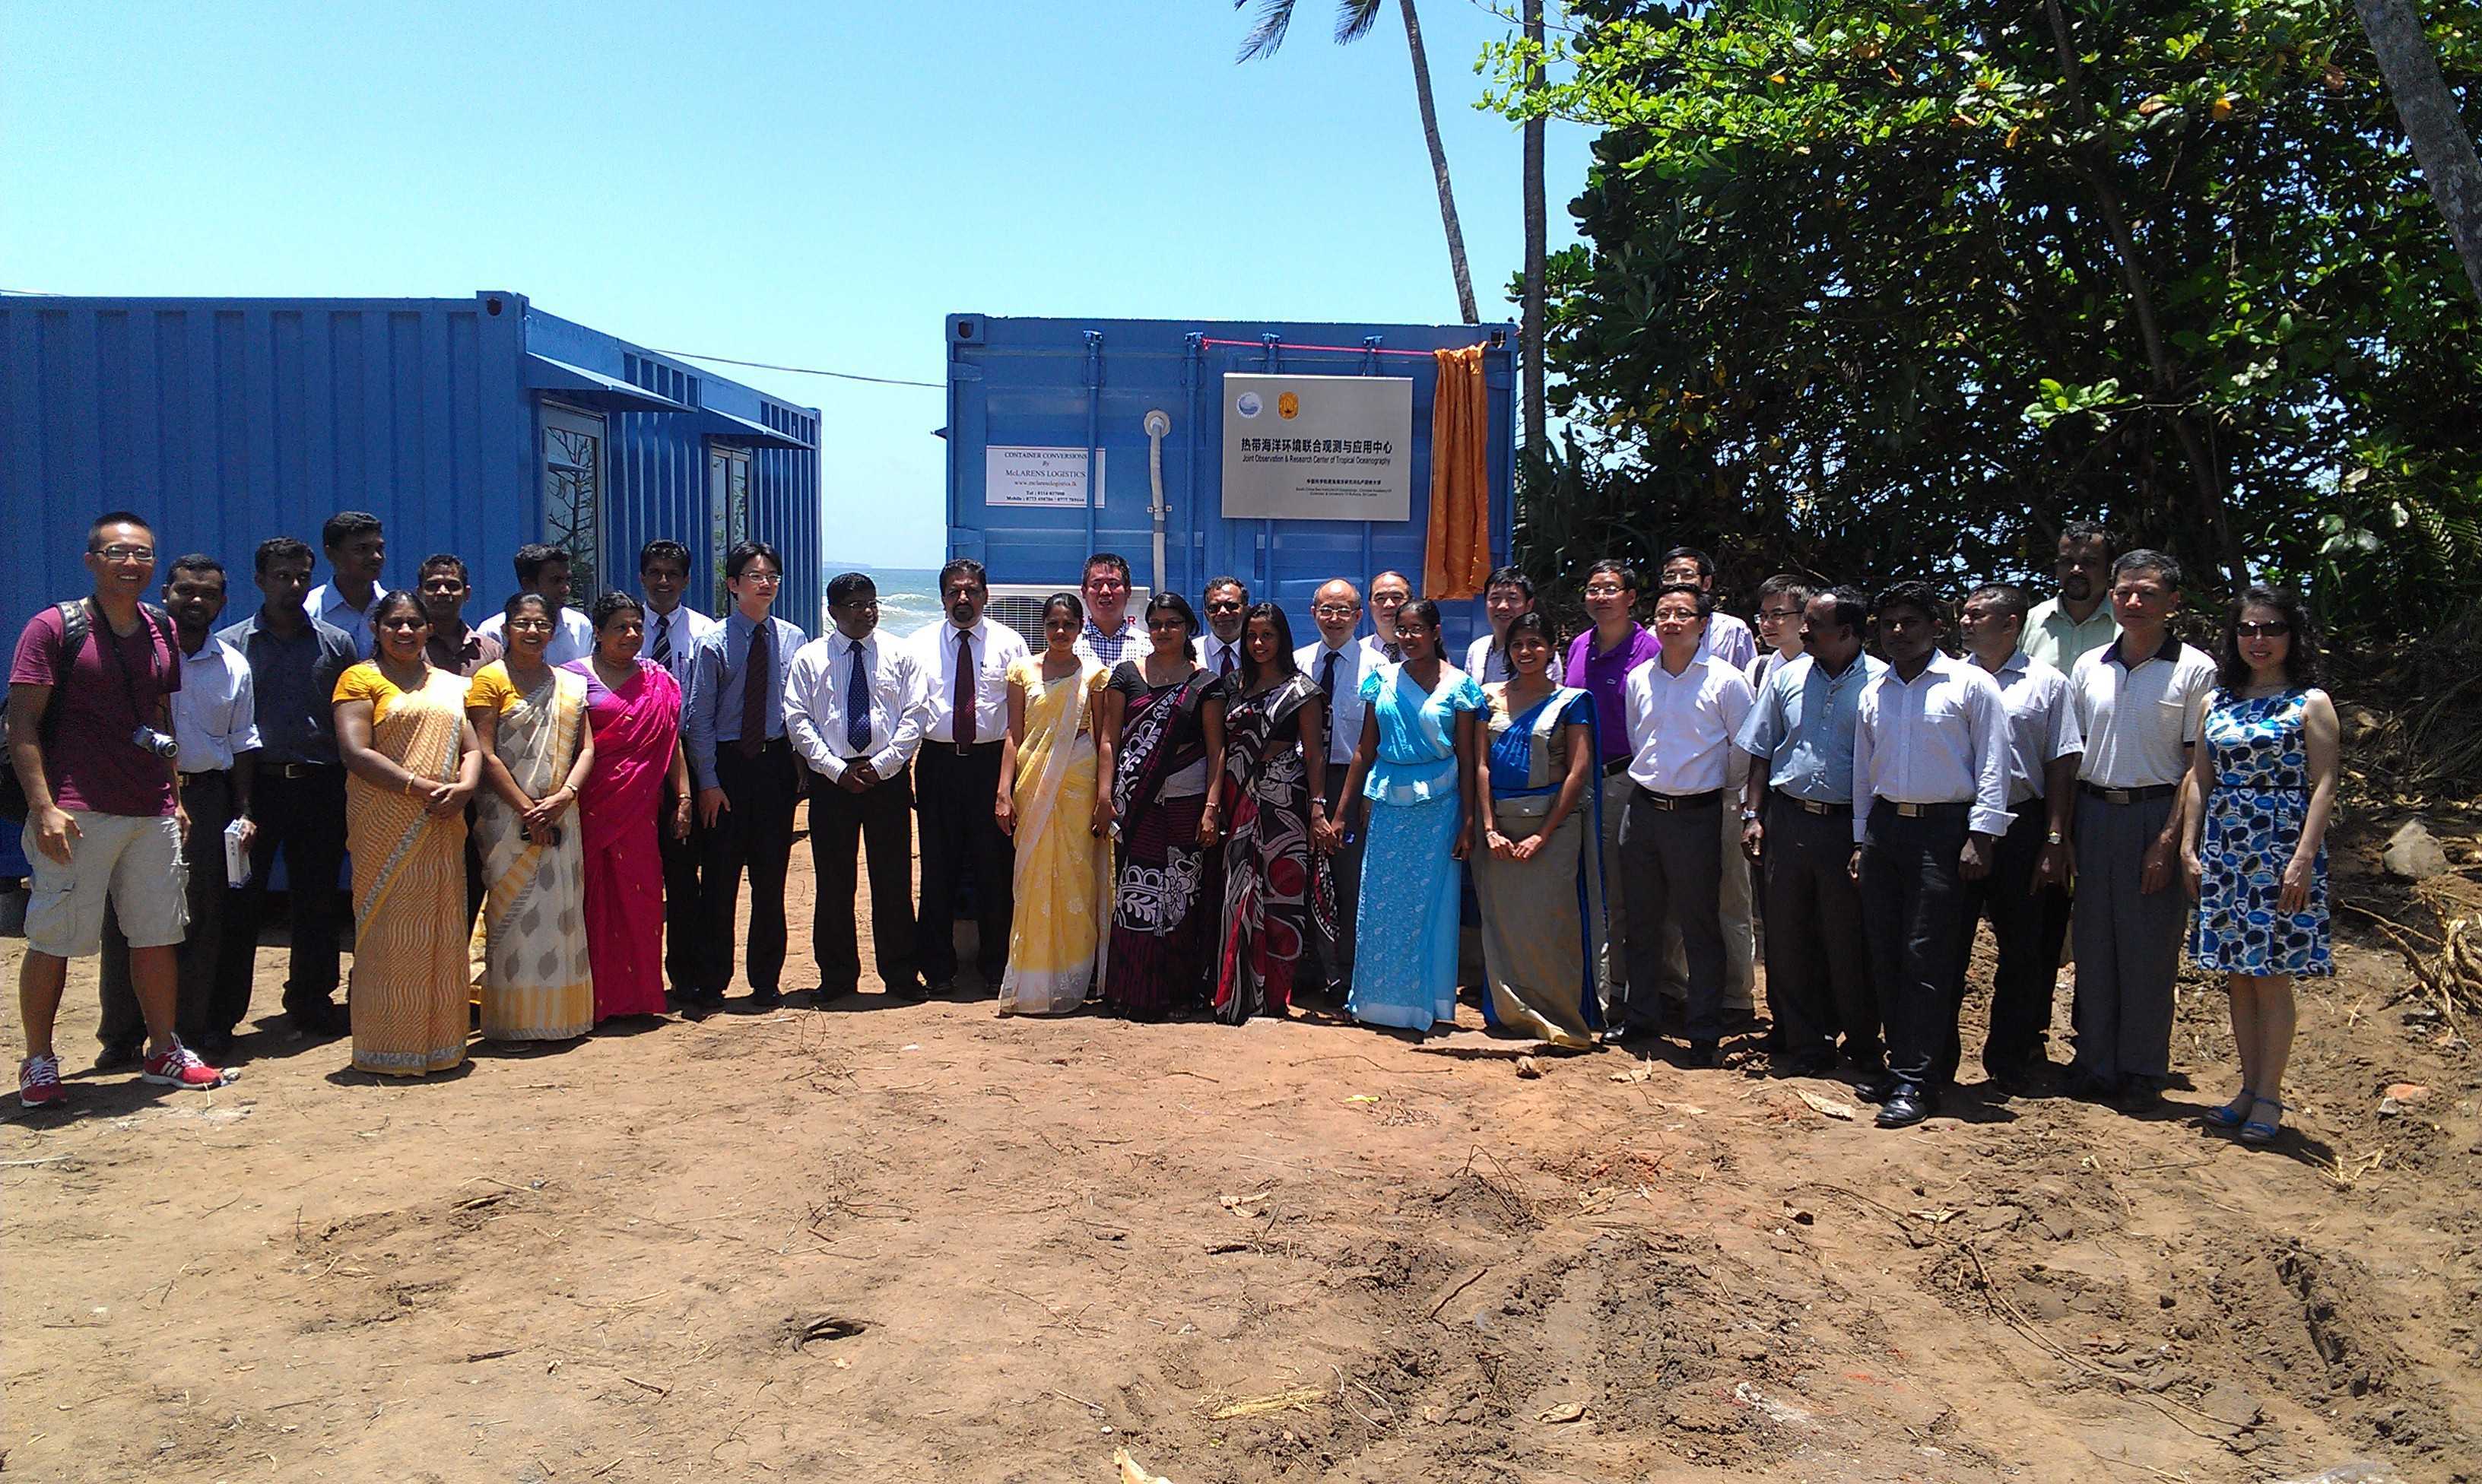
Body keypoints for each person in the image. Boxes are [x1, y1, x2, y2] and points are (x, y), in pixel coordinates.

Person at [10, 513, 230, 1106]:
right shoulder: (54, 627)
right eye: (117, 553)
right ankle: (39, 1061)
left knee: (157, 934)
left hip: (149, 810)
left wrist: (174, 797)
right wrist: (43, 807)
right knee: (54, 937)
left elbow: (158, 715)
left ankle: (163, 1050)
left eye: (142, 554)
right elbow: (22, 722)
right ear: (92, 561)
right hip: (76, 810)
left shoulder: (160, 627)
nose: (131, 564)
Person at [1849, 582, 2011, 1130]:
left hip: (1945, 831)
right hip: (1886, 829)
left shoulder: (1970, 685)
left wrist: (1982, 834)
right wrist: (1860, 839)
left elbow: (1994, 762)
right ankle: (1910, 1066)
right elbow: (1863, 770)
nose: (1898, 632)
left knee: (1928, 956)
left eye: (1910, 622)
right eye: (1889, 623)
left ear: (1936, 628)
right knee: (1886, 953)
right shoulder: (1875, 691)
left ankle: (1916, 1081)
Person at [2064, 550, 2219, 1105]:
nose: (2134, 602)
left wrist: (2169, 841)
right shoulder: (2089, 666)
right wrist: (2065, 833)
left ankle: (2142, 1071)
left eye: (2148, 593)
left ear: (2172, 602)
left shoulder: (2195, 669)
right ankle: (2095, 1063)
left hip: (2155, 814)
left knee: (2148, 947)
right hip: (2093, 810)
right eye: (2124, 591)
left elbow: (2196, 766)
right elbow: (2072, 750)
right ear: (2111, 597)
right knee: (2094, 942)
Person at [2183, 587, 2337, 1145]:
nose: (2259, 639)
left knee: (2270, 976)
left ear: (2293, 635)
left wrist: (2303, 859)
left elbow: (2325, 784)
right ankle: (2247, 1089)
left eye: (2272, 628)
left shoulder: (2310, 702)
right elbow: (2200, 778)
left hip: (2281, 850)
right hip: (2226, 849)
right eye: (2248, 629)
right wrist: (2188, 847)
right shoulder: (2216, 701)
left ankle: (2270, 1095)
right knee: (2238, 975)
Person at [97, 554, 258, 1064]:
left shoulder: (233, 665)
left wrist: (244, 810)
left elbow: (242, 743)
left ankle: (188, 1030)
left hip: (207, 799)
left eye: (208, 594)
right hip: (137, 797)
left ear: (222, 603)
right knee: (128, 915)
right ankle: (121, 1036)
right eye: (186, 590)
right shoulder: (133, 653)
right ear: (165, 593)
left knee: (202, 918)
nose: (196, 601)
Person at [332, 590, 484, 1077]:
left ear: (428, 630)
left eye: (414, 623)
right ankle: (387, 1046)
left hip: (444, 820)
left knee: (441, 926)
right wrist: (419, 787)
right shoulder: (360, 679)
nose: (404, 631)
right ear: (376, 629)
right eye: (394, 623)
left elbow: (472, 748)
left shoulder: (451, 685)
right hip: (387, 821)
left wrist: (465, 787)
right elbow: (356, 751)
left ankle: (442, 1045)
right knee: (389, 931)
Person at [1736, 586, 1885, 1077]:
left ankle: (1860, 1041)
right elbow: (1762, 749)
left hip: (1848, 826)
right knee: (1787, 937)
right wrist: (1753, 815)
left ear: (1847, 632)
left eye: (1815, 625)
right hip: (1789, 820)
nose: (1803, 631)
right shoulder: (1786, 677)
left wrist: (1866, 840)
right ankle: (1804, 1042)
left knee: (1848, 941)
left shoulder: (1882, 683)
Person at [217, 537, 359, 1038]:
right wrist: (240, 802)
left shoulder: (335, 644)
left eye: (301, 576)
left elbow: (346, 718)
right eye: (282, 576)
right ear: (260, 580)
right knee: (241, 902)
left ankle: (312, 1000)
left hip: (320, 785)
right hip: (255, 787)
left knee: (317, 900)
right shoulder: (233, 646)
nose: (293, 585)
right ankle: (223, 1015)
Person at [1613, 582, 1754, 1064]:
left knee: (1700, 923)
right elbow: (1639, 739)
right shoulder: (1639, 678)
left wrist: (1713, 790)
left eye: (1682, 614)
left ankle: (1704, 1029)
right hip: (1644, 811)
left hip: (1698, 814)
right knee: (1642, 920)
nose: (1670, 622)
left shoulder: (1727, 680)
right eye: (1663, 614)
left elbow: (1743, 749)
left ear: (1703, 623)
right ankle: (1642, 1016)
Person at [1330, 598, 1485, 1035]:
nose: (1410, 637)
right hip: (1386, 805)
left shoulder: (1460, 685)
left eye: (1418, 629)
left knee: (1428, 905)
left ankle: (1424, 1003)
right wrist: (1342, 811)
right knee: (1379, 904)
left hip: (1439, 808)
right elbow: (1364, 750)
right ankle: (1375, 1001)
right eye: (1403, 629)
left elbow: (1469, 757)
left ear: (1436, 632)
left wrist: (1468, 821)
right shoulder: (1381, 680)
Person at [1953, 583, 2082, 1085]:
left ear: (2011, 624)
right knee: (1947, 943)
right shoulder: (1948, 678)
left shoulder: (2047, 683)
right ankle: (1936, 1059)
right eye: (1964, 613)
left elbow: (2061, 764)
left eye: (1978, 615)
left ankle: (2010, 1059)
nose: (1966, 622)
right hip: (1958, 824)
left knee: (2024, 947)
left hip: (2022, 824)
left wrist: (2054, 839)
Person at [786, 571, 927, 1001]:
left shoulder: (900, 653)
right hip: (832, 783)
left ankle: (901, 975)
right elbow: (797, 719)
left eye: (872, 602)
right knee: (834, 882)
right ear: (833, 612)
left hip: (887, 780)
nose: (867, 612)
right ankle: (837, 976)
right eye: (855, 605)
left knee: (893, 880)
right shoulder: (810, 658)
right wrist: (835, 769)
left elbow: (915, 715)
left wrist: (882, 766)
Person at [681, 540, 808, 1014]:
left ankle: (766, 982)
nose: (766, 583)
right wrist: (709, 783)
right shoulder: (712, 642)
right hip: (728, 766)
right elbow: (699, 719)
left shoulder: (793, 638)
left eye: (772, 575)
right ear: (733, 585)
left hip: (774, 765)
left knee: (770, 881)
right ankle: (712, 982)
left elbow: (798, 708)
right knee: (720, 880)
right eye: (755, 576)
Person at [465, 593, 595, 1044]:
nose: (533, 631)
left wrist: (564, 796)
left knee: (560, 912)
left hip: (562, 814)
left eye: (542, 624)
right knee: (513, 916)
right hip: (507, 818)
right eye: (523, 623)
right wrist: (527, 809)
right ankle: (512, 1022)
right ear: (506, 628)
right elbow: (485, 753)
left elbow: (587, 749)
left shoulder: (569, 685)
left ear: (553, 631)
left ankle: (561, 1019)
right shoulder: (489, 680)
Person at [1471, 614, 1602, 1048]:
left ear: (1551, 649)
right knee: (1503, 924)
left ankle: (1561, 1020)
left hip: (1553, 828)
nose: (1525, 652)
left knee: (1552, 923)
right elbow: (1481, 765)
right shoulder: (1488, 697)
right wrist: (1489, 828)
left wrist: (1543, 834)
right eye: (1517, 645)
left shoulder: (1571, 701)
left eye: (1535, 643)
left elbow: (1578, 772)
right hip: (1499, 830)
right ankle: (1511, 1014)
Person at [564, 591, 690, 1023]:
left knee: (641, 900)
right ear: (598, 632)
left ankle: (638, 998)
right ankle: (593, 1001)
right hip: (589, 808)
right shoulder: (572, 679)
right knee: (591, 902)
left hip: (640, 811)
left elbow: (671, 745)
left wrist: (684, 797)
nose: (632, 634)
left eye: (637, 626)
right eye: (620, 627)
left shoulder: (658, 680)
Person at [1097, 592, 1225, 1019]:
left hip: (1188, 802)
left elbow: (1216, 749)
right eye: (1156, 624)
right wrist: (1104, 796)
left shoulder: (1205, 684)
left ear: (1188, 628)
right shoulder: (1127, 675)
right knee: (1136, 895)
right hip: (1136, 803)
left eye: (1173, 623)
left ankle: (1178, 995)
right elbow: (1109, 740)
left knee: (1180, 899)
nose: (1163, 631)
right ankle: (1132, 993)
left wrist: (1211, 807)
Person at [993, 592, 1113, 1014]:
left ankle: (1073, 979)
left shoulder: (1095, 676)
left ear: (1081, 628)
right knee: (1032, 877)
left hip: (1078, 782)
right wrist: (1004, 791)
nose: (1061, 632)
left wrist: (1104, 795)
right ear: (1042, 627)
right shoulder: (1021, 671)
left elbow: (1103, 738)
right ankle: (1032, 981)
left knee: (1077, 876)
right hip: (1032, 780)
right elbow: (1013, 734)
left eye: (1069, 624)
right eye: (1053, 624)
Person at [911, 558, 1026, 994]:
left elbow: (1019, 718)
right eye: (954, 591)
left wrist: (1007, 785)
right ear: (942, 598)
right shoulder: (918, 644)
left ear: (986, 595)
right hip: (937, 764)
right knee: (937, 866)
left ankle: (996, 965)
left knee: (994, 866)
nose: (963, 598)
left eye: (972, 590)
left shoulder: (1010, 644)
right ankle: (937, 969)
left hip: (991, 765)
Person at [1214, 602, 1331, 1023]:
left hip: (1285, 806)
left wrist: (1317, 809)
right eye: (1252, 636)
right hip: (1240, 800)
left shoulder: (1302, 691)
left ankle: (1275, 996)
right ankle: (1236, 994)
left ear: (1283, 638)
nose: (1259, 643)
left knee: (1281, 898)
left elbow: (1315, 755)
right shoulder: (1234, 686)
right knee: (1239, 895)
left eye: (1268, 635)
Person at [1657, 547, 1758, 1022]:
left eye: (1688, 575)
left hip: (1720, 794)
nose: (1672, 621)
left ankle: (1735, 996)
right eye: (1670, 576)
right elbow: (1645, 730)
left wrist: (1729, 789)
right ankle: (1675, 989)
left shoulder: (1731, 645)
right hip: (1670, 793)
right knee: (1674, 901)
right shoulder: (1649, 664)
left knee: (1729, 899)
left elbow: (1743, 735)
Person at [1565, 559, 1658, 1019]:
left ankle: (1619, 992)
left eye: (1610, 589)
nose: (1600, 597)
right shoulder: (1578, 646)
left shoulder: (1649, 649)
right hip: (1578, 781)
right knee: (1582, 885)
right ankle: (1588, 985)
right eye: (1593, 588)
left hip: (1624, 781)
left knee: (1619, 892)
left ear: (1631, 597)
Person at [637, 540, 718, 999]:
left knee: (685, 876)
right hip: (635, 762)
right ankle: (637, 979)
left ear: (687, 580)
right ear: (642, 578)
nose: (663, 581)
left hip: (688, 757)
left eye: (672, 574)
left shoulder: (705, 632)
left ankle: (687, 977)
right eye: (655, 572)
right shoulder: (623, 628)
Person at [1297, 579, 1382, 998]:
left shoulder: (1378, 668)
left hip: (1352, 782)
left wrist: (1362, 798)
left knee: (1348, 880)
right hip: (1300, 781)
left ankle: (1345, 973)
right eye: (1326, 610)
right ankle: (1305, 968)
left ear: (1358, 616)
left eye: (1344, 610)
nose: (1334, 619)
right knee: (1302, 875)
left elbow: (1376, 739)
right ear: (1313, 613)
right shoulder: (1297, 662)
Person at [2022, 521, 2121, 673]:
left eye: (2088, 563)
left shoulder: (2127, 625)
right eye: (2067, 562)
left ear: (2110, 570)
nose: (2076, 570)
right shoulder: (2029, 622)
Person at [476, 543, 595, 667]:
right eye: (556, 581)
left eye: (568, 580)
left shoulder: (580, 626)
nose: (566, 589)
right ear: (528, 584)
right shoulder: (493, 631)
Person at [1658, 547, 1757, 670]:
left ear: (1706, 583)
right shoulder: (1655, 633)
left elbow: (1748, 677)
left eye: (1687, 575)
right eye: (1670, 576)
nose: (1678, 582)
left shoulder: (1732, 630)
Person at [306, 510, 386, 657]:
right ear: (331, 554)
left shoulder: (393, 609)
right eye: (362, 549)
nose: (376, 557)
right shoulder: (309, 611)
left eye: (379, 549)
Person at [1465, 566, 1560, 683]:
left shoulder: (1540, 652)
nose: (1503, 606)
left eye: (1512, 599)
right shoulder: (1477, 649)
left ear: (1529, 605)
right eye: (1495, 598)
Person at [416, 555, 504, 678]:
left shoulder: (492, 652)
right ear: (419, 593)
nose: (443, 592)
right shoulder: (410, 648)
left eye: (452, 586)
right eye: (433, 586)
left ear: (467, 593)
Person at [1072, 553, 1144, 668]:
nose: (1105, 591)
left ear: (1128, 591)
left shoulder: (1148, 649)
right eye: (1096, 584)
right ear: (1084, 591)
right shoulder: (1069, 648)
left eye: (1113, 584)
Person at [1746, 575, 1811, 694]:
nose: (1766, 625)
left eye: (1777, 615)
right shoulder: (1759, 669)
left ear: (1805, 617)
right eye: (1763, 616)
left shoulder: (1825, 671)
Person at [1199, 577, 1250, 680]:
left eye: (1231, 606)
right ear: (1206, 614)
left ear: (1246, 611)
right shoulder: (1190, 654)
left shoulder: (1259, 653)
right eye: (1214, 607)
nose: (1222, 612)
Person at [1367, 571, 1414, 663]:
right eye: (1380, 598)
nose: (1388, 605)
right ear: (1370, 605)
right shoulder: (1356, 655)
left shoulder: (1427, 655)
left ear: (1410, 603)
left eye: (1396, 597)